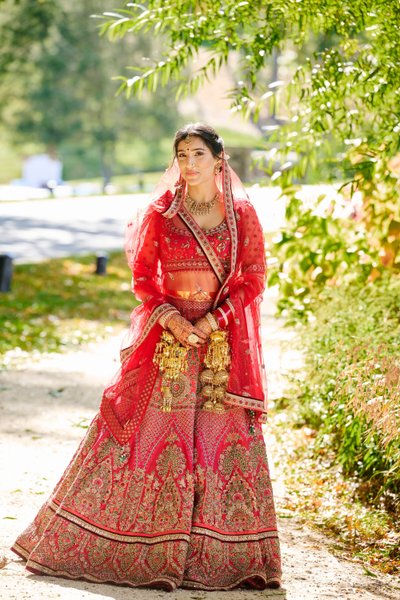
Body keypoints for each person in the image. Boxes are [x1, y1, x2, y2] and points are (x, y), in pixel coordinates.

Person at [12, 123, 282, 591]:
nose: (190, 163)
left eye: (198, 154)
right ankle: (139, 551)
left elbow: (254, 277)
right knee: (154, 441)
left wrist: (213, 321)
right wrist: (175, 322)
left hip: (219, 350)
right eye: (182, 155)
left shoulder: (241, 216)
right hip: (169, 346)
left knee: (220, 448)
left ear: (219, 160)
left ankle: (217, 561)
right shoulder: (161, 212)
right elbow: (143, 279)